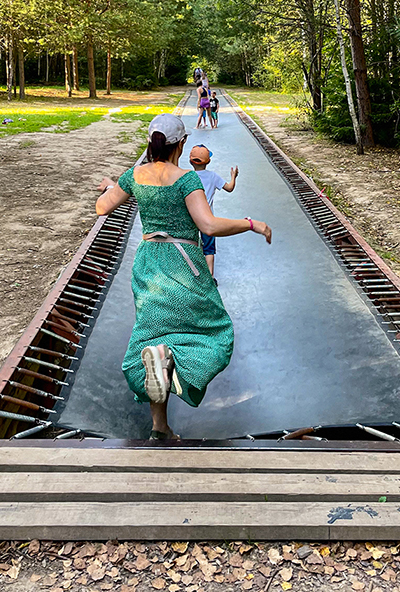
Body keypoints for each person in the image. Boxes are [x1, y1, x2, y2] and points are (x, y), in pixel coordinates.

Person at [96, 113, 272, 440]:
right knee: (212, 330)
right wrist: (251, 223)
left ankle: (159, 425)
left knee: (154, 335)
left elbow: (102, 208)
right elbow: (209, 225)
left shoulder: (134, 176)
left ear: (151, 142)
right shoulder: (187, 179)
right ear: (182, 143)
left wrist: (112, 186)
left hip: (149, 265)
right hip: (184, 265)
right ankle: (179, 374)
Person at [189, 144, 238, 278]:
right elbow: (229, 188)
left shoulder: (187, 177)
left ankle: (192, 275)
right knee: (209, 249)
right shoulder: (213, 177)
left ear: (190, 161)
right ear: (208, 161)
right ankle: (210, 277)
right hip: (208, 219)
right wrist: (234, 176)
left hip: (190, 217)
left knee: (190, 244)